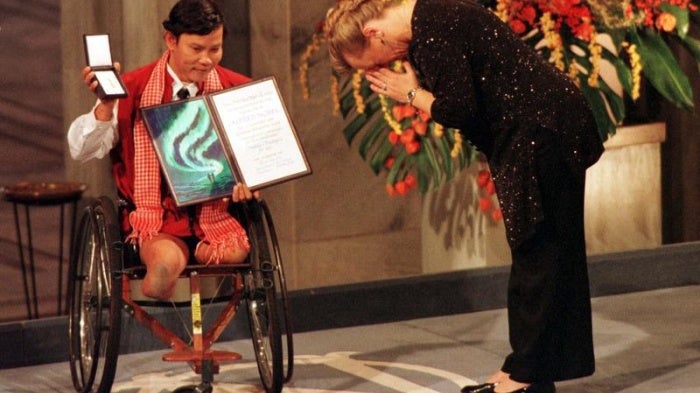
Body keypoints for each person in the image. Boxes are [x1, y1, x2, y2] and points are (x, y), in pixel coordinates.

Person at [324, 1, 604, 392]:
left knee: (539, 250)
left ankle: (528, 376)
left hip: (541, 132)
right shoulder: (424, 27)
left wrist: (411, 94)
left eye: (369, 63)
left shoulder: (433, 26)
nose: (376, 72)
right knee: (540, 250)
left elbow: (458, 108)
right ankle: (527, 369)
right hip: (535, 131)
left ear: (373, 33)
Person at [68, 0, 258, 301]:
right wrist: (105, 105)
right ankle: (166, 272)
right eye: (197, 49)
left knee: (235, 252)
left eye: (215, 49)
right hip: (157, 220)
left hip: (216, 214)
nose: (207, 60)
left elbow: (257, 153)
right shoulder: (132, 88)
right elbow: (82, 150)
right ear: (171, 40)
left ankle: (191, 269)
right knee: (165, 264)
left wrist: (253, 182)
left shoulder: (237, 89)